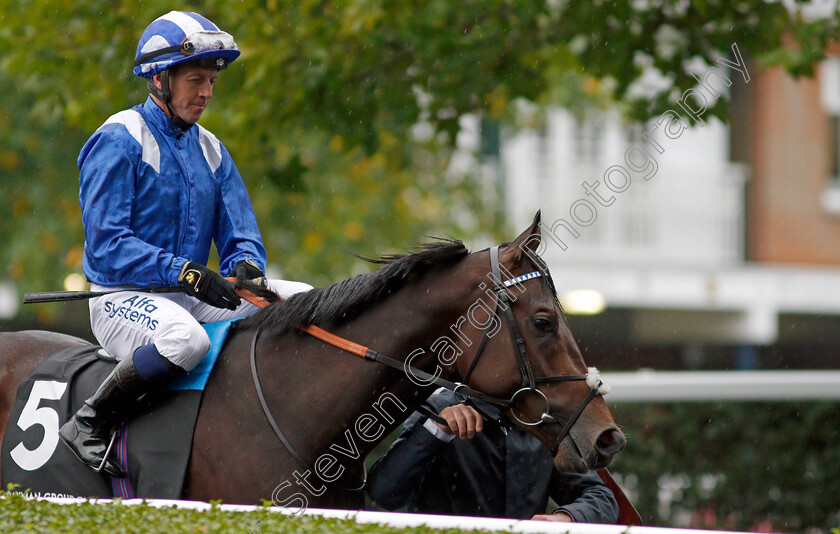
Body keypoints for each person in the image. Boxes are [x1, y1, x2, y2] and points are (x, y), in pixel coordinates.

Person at [58, 11, 312, 478]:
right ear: (159, 78)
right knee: (185, 339)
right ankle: (89, 421)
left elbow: (240, 233)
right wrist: (186, 272)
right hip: (121, 297)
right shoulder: (118, 139)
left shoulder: (212, 148)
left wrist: (247, 268)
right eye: (196, 80)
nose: (207, 93)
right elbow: (108, 245)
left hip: (191, 294)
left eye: (211, 81)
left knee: (301, 299)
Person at [367, 389, 619, 523]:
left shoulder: (544, 423)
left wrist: (567, 518)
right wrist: (438, 430)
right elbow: (384, 493)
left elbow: (602, 499)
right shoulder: (437, 408)